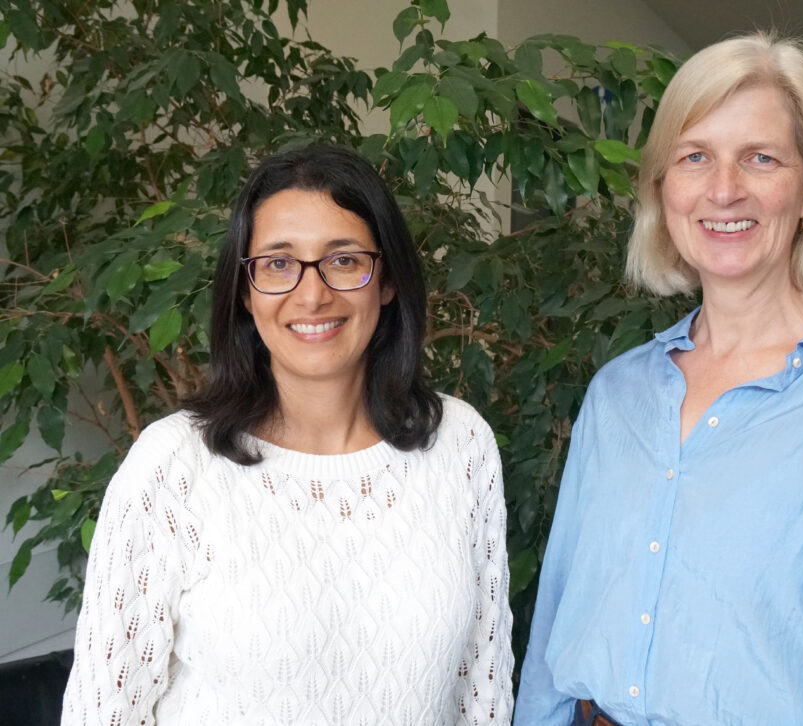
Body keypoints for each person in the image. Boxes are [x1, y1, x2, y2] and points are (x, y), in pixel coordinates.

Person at [515, 32, 803, 726]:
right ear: (664, 189)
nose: (724, 189)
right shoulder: (618, 393)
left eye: (759, 158)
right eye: (694, 157)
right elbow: (555, 632)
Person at [62, 146, 513, 725]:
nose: (312, 294)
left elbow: (485, 689)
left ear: (388, 280)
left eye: (344, 260)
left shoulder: (460, 446)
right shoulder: (173, 467)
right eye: (277, 264)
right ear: (246, 293)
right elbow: (102, 713)